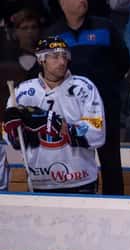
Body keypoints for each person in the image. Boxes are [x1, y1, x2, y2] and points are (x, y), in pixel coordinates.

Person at [47, 0, 130, 195]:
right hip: (69, 110)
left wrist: (106, 85)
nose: (82, 0)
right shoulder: (53, 35)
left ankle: (115, 207)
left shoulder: (104, 27)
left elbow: (123, 62)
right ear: (62, 3)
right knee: (74, 161)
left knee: (111, 161)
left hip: (105, 107)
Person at [3, 36, 105, 193]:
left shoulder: (84, 87)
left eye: (65, 56)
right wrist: (17, 132)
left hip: (80, 180)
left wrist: (61, 126)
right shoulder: (21, 93)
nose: (62, 61)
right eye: (55, 56)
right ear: (41, 60)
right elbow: (12, 138)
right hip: (40, 182)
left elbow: (97, 133)